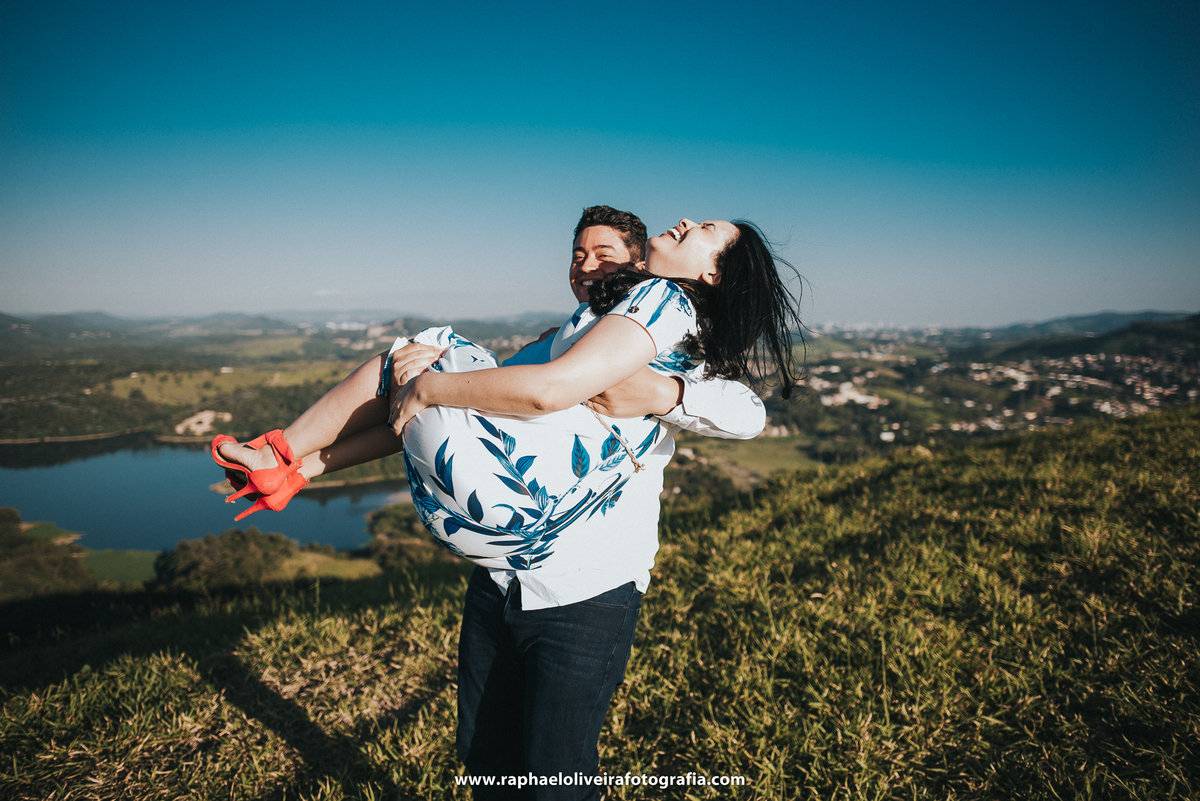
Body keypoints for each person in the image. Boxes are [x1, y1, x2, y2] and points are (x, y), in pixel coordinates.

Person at [214, 207, 802, 798]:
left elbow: (746, 412)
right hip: (506, 567)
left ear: (679, 271)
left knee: (555, 775)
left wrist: (663, 393)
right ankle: (280, 461)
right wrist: (309, 468)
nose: (587, 266)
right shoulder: (571, 336)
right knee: (491, 761)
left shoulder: (666, 313)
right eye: (578, 256)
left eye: (604, 255)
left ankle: (279, 448)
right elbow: (434, 414)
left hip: (584, 593)